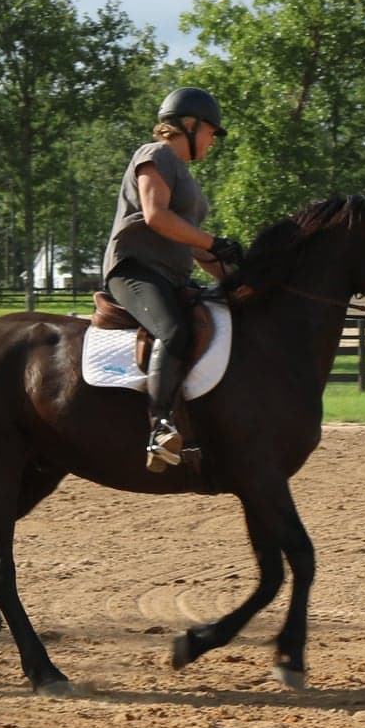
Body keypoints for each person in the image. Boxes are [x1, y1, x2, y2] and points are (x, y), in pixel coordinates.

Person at [101, 87, 245, 470]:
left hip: (171, 275)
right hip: (135, 271)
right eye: (211, 132)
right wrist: (215, 242)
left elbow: (193, 246)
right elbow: (156, 216)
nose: (213, 140)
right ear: (189, 124)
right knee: (174, 330)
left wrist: (237, 275)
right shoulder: (156, 155)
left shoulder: (184, 175)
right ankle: (159, 427)